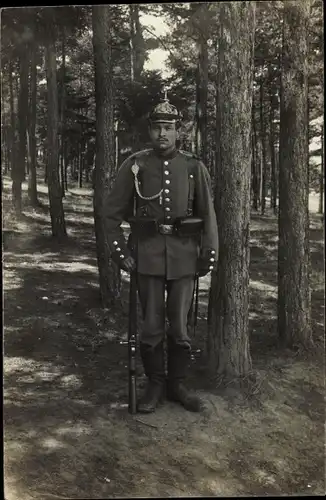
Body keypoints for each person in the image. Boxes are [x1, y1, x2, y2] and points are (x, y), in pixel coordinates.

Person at [104, 93, 218, 413]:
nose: (162, 134)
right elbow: (111, 213)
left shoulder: (194, 167)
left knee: (180, 328)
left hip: (184, 258)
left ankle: (177, 384)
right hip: (147, 256)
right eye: (157, 128)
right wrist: (118, 252)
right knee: (152, 325)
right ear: (150, 131)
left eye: (168, 127)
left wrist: (207, 254)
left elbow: (208, 215)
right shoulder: (135, 165)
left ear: (178, 131)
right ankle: (154, 383)